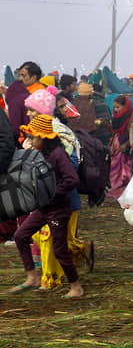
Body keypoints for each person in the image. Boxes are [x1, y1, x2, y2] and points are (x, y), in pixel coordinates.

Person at [24, 88, 93, 288]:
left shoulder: (58, 132)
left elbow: (70, 166)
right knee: (51, 238)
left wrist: (48, 180)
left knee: (51, 239)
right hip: (44, 197)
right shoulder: (37, 131)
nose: (28, 114)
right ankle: (81, 252)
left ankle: (52, 281)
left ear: (43, 111)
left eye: (32, 111)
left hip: (60, 198)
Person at [11, 115, 84, 298]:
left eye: (34, 137)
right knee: (21, 236)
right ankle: (32, 277)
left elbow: (72, 179)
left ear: (43, 137)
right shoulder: (39, 154)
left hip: (58, 209)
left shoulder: (58, 154)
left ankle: (76, 287)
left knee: (60, 249)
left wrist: (52, 192)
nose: (31, 141)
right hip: (43, 208)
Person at [108, 95, 133, 199]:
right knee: (115, 166)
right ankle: (116, 186)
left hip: (127, 145)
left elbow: (132, 132)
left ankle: (127, 188)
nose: (116, 110)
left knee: (127, 166)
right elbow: (114, 130)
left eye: (118, 107)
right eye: (114, 107)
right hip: (117, 144)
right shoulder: (116, 118)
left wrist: (127, 143)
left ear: (125, 106)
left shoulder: (131, 115)